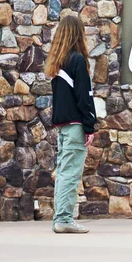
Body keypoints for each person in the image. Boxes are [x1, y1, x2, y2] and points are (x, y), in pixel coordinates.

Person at [45, 15, 97, 234]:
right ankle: (64, 219)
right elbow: (84, 96)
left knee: (64, 172)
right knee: (70, 173)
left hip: (63, 126)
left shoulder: (58, 63)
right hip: (76, 125)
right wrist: (90, 125)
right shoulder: (77, 60)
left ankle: (60, 217)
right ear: (79, 33)